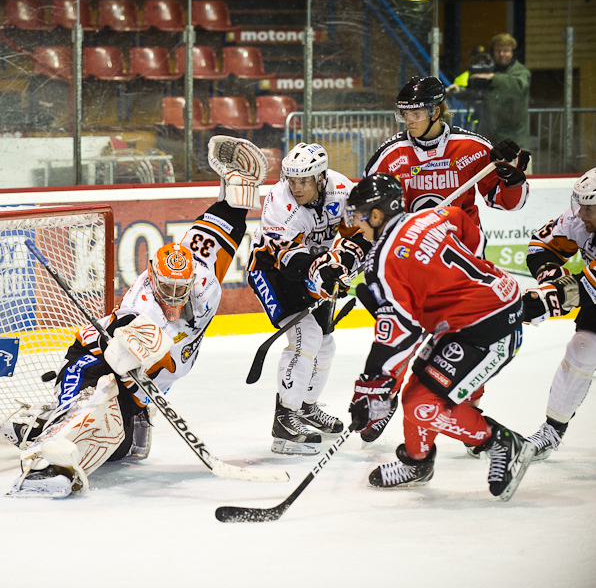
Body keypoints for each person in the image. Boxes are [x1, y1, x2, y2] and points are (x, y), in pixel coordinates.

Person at [0, 137, 268, 498]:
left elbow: (224, 223)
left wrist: (237, 191)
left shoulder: (202, 277)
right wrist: (124, 355)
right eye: (166, 290)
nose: (174, 297)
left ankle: (47, 423)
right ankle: (50, 458)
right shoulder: (143, 309)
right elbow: (122, 342)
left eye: (180, 289)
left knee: (123, 448)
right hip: (98, 359)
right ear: (153, 281)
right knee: (99, 404)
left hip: (144, 384)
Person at [345, 173, 536, 501]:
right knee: (415, 394)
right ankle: (417, 463)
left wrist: (373, 385)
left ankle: (500, 441)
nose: (356, 225)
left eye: (360, 216)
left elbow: (400, 333)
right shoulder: (431, 214)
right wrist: (463, 280)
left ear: (376, 215)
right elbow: (465, 225)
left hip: (488, 326)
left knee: (422, 405)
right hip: (482, 309)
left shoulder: (384, 260)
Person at [246, 142, 371, 454]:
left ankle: (304, 407)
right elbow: (285, 258)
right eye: (292, 180)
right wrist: (324, 270)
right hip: (272, 272)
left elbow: (358, 235)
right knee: (307, 336)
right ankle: (284, 421)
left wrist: (342, 265)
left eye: (304, 181)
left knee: (326, 345)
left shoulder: (342, 191)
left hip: (317, 268)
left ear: (321, 177)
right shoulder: (279, 201)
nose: (296, 187)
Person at [365, 75, 530, 231]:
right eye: (405, 114)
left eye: (416, 114)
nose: (409, 121)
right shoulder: (389, 155)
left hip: (465, 247)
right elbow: (367, 208)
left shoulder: (473, 147)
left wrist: (513, 179)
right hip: (412, 249)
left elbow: (510, 204)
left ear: (435, 112)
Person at [523, 167, 596, 460]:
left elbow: (583, 291)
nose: (580, 214)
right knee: (582, 348)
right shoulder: (581, 220)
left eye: (588, 208)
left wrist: (546, 300)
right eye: (579, 205)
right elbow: (541, 247)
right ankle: (553, 430)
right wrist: (550, 281)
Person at [475, 33, 531, 151]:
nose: (501, 54)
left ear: (513, 53)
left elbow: (520, 86)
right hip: (491, 141)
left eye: (506, 50)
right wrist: (459, 90)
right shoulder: (490, 70)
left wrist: (493, 78)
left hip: (515, 141)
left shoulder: (520, 71)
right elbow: (479, 93)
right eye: (498, 50)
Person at [446, 46, 494, 134]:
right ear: (472, 61)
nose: (481, 63)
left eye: (484, 59)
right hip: (469, 122)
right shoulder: (464, 77)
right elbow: (462, 95)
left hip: (491, 121)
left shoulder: (494, 77)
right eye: (478, 59)